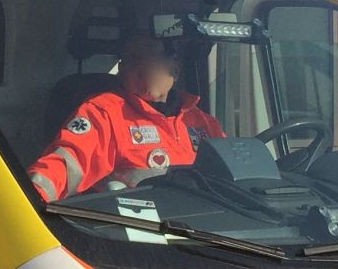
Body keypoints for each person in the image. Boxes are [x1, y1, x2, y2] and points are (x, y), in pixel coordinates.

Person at [28, 35, 224, 201]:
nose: (134, 67)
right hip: (135, 228)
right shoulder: (104, 114)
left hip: (207, 228)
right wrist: (29, 200)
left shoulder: (204, 123)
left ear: (175, 69)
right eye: (128, 60)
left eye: (143, 57)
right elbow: (63, 166)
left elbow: (233, 176)